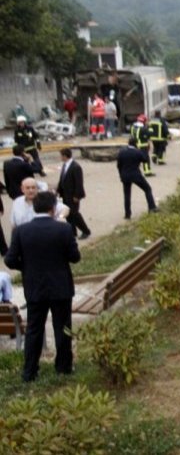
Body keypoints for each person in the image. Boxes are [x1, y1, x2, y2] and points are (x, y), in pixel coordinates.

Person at [4, 191, 81, 382]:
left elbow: (10, 259)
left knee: (34, 329)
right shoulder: (63, 229)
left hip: (34, 286)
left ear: (34, 207)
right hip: (60, 286)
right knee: (62, 327)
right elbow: (75, 257)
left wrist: (27, 267)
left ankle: (30, 371)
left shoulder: (22, 231)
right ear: (53, 208)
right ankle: (63, 366)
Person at [117, 137, 157, 219]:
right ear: (136, 143)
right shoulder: (137, 152)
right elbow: (145, 160)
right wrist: (146, 151)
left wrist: (121, 175)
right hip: (136, 175)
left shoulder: (122, 152)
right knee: (147, 189)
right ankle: (152, 207)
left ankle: (127, 214)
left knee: (127, 194)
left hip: (125, 176)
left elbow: (119, 165)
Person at [56, 148, 91, 240]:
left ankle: (86, 230)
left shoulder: (75, 167)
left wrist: (77, 195)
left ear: (65, 156)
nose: (60, 157)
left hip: (73, 196)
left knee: (74, 214)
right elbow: (62, 179)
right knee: (68, 214)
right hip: (65, 194)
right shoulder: (65, 165)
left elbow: (79, 182)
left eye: (61, 155)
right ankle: (72, 232)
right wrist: (58, 190)